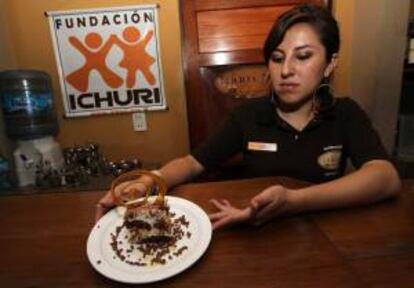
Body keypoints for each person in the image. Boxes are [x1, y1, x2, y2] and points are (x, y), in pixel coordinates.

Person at [96, 4, 401, 229]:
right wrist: (150, 181)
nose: (286, 70)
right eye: (277, 58)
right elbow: (190, 163)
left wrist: (293, 201)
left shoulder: (345, 113)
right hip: (258, 235)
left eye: (304, 56)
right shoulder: (248, 116)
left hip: (328, 236)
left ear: (330, 64)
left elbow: (385, 178)